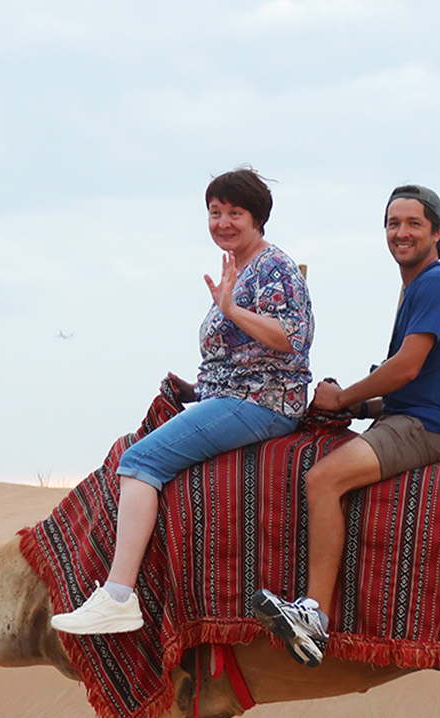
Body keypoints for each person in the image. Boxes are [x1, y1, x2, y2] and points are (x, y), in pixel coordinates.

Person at [52, 168, 313, 635]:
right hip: (230, 395)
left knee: (139, 461)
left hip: (259, 401)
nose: (223, 222)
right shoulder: (241, 267)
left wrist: (231, 310)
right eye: (215, 212)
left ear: (258, 219)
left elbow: (292, 338)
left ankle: (117, 595)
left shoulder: (275, 268)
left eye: (235, 212)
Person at [253, 184, 440, 666]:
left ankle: (313, 616)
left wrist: (344, 396)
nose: (402, 232)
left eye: (413, 223)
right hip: (412, 413)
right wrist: (353, 408)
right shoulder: (417, 288)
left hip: (426, 426)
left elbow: (407, 367)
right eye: (393, 224)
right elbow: (411, 382)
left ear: (438, 232)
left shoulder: (437, 284)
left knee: (323, 479)